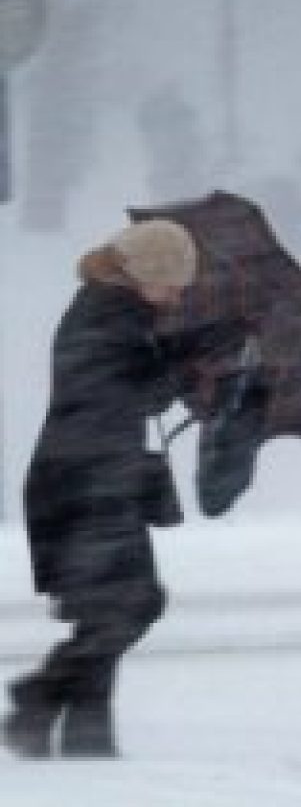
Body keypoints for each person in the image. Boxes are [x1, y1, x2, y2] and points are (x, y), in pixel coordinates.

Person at [2, 219, 199, 759]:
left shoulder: (115, 316)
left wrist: (180, 359)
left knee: (106, 610)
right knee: (131, 605)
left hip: (90, 478)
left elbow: (134, 386)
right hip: (85, 481)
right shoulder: (105, 316)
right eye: (173, 283)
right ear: (144, 273)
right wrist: (178, 364)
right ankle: (39, 695)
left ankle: (87, 747)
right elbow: (120, 391)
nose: (178, 294)